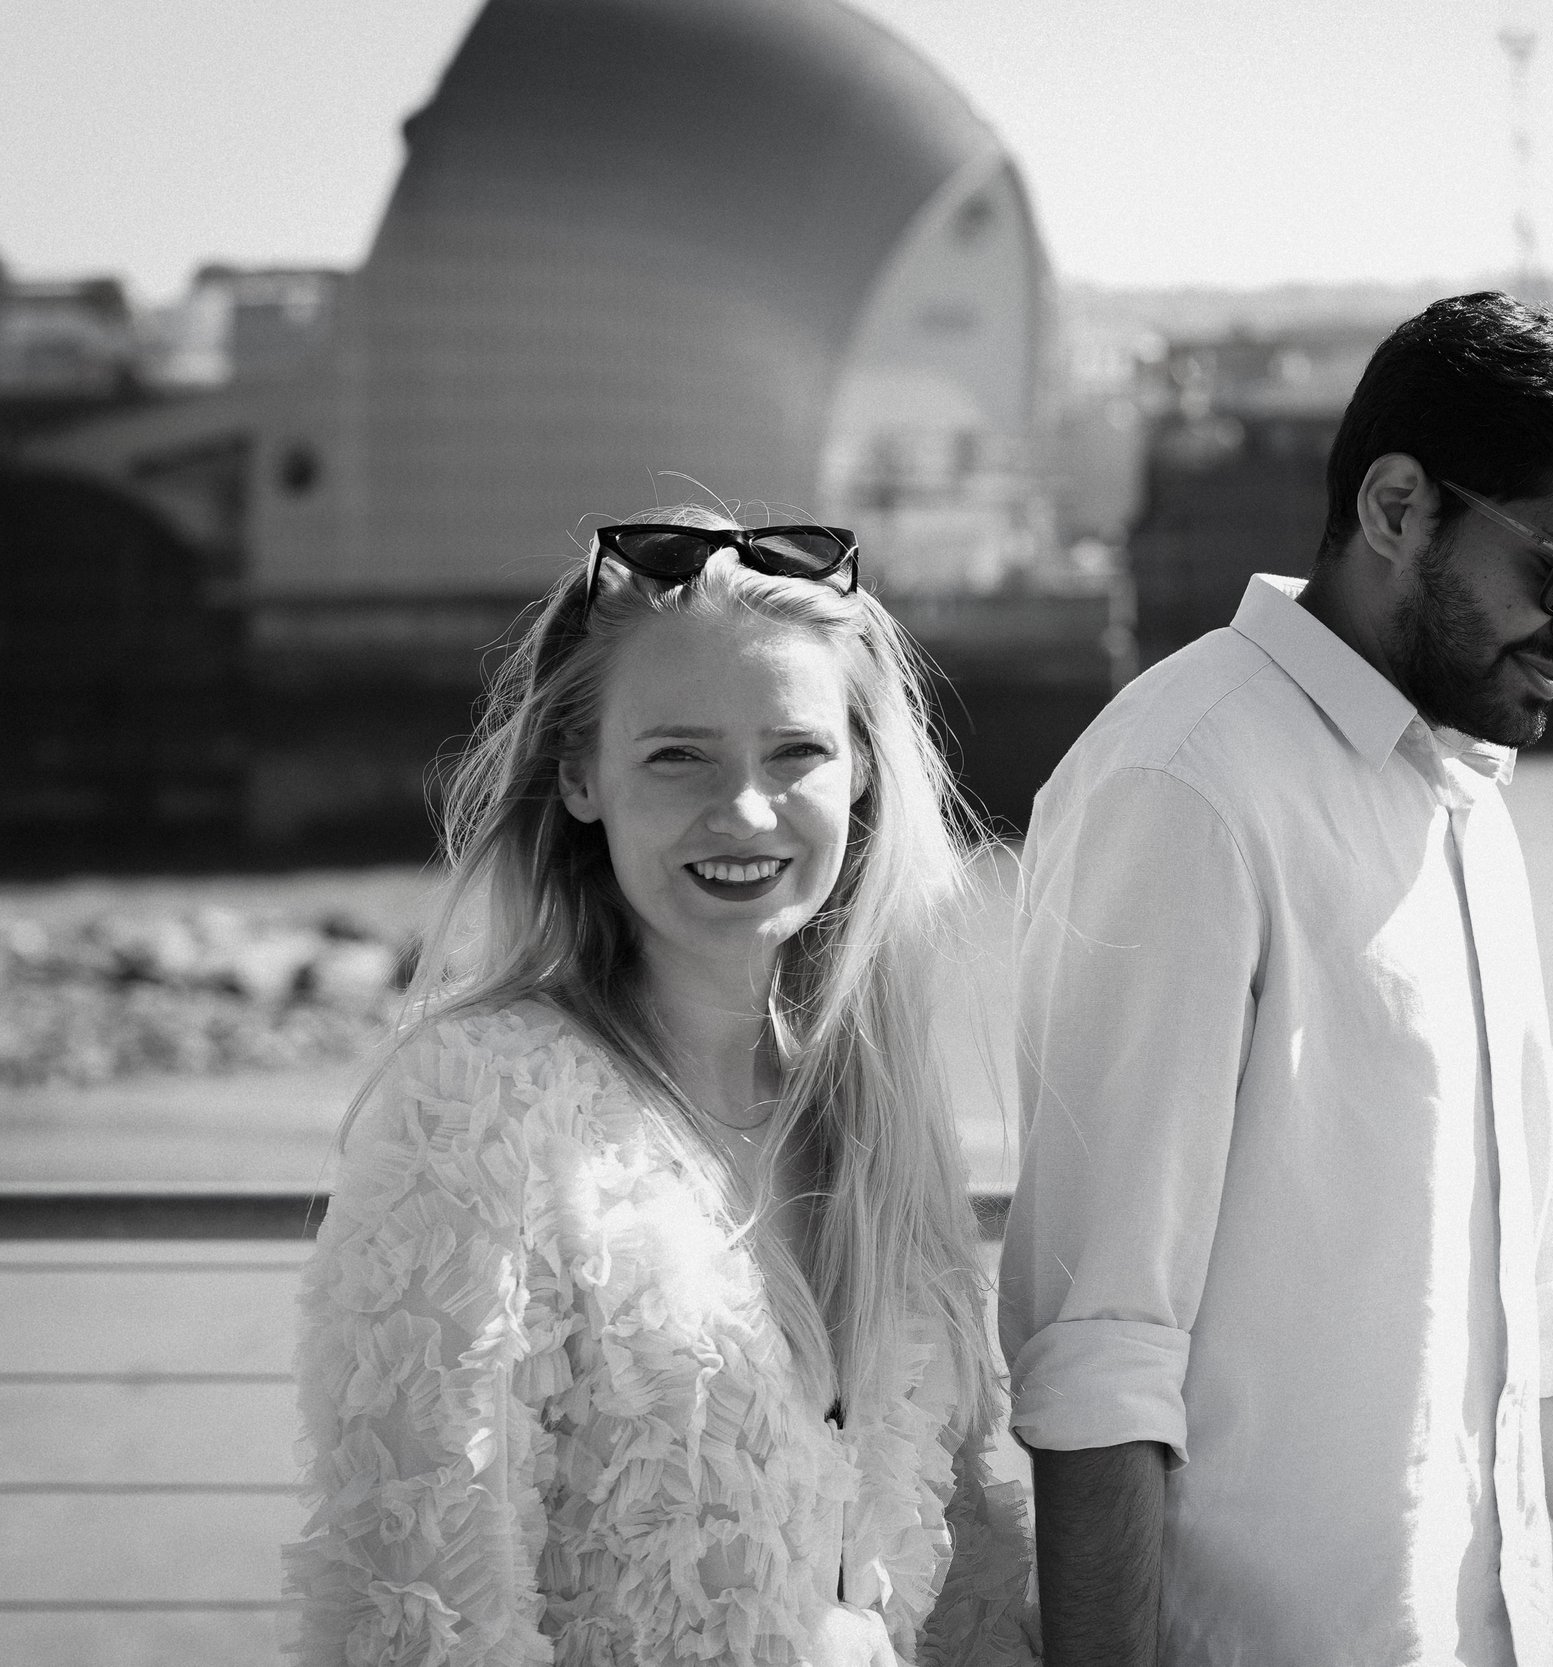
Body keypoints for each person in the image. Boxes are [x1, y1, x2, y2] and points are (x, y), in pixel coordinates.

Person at [1001, 292, 1553, 1667]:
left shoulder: (1466, 795)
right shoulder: (1186, 784)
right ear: (1399, 506)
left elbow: (1545, 1298)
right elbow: (1100, 1346)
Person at [285, 507, 1039, 1666]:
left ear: (864, 775)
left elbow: (959, 1570)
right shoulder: (479, 1107)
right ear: (580, 774)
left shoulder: (877, 1117)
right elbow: (413, 1617)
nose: (743, 811)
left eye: (795, 753)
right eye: (677, 753)